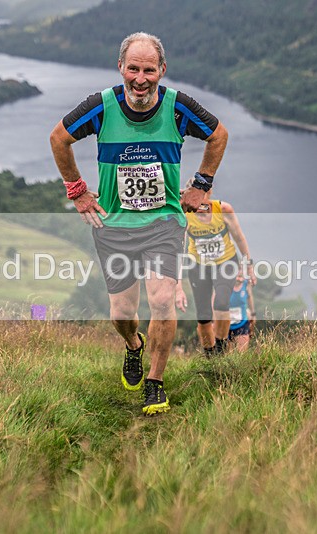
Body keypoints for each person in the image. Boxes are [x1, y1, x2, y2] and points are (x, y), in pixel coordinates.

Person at [49, 32, 228, 415]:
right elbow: (58, 138)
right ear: (121, 68)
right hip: (114, 225)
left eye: (149, 70)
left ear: (162, 70)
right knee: (120, 314)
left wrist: (200, 186)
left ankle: (156, 382)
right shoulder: (101, 106)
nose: (141, 79)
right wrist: (78, 191)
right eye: (133, 68)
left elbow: (218, 135)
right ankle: (134, 346)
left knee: (162, 299)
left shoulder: (179, 107)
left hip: (164, 221)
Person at [175, 196, 255, 356]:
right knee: (203, 317)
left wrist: (248, 264)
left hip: (225, 263)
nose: (200, 203)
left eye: (204, 197)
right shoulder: (184, 214)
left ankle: (220, 345)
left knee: (221, 303)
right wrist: (178, 287)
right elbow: (178, 249)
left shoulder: (223, 210)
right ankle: (210, 354)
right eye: (196, 198)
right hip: (199, 266)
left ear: (209, 193)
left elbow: (239, 237)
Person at [228, 273, 256, 351]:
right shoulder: (224, 285)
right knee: (226, 355)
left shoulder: (246, 285)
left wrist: (252, 313)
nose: (238, 279)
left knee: (242, 354)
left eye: (240, 277)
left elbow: (250, 297)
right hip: (226, 324)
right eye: (236, 276)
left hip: (242, 323)